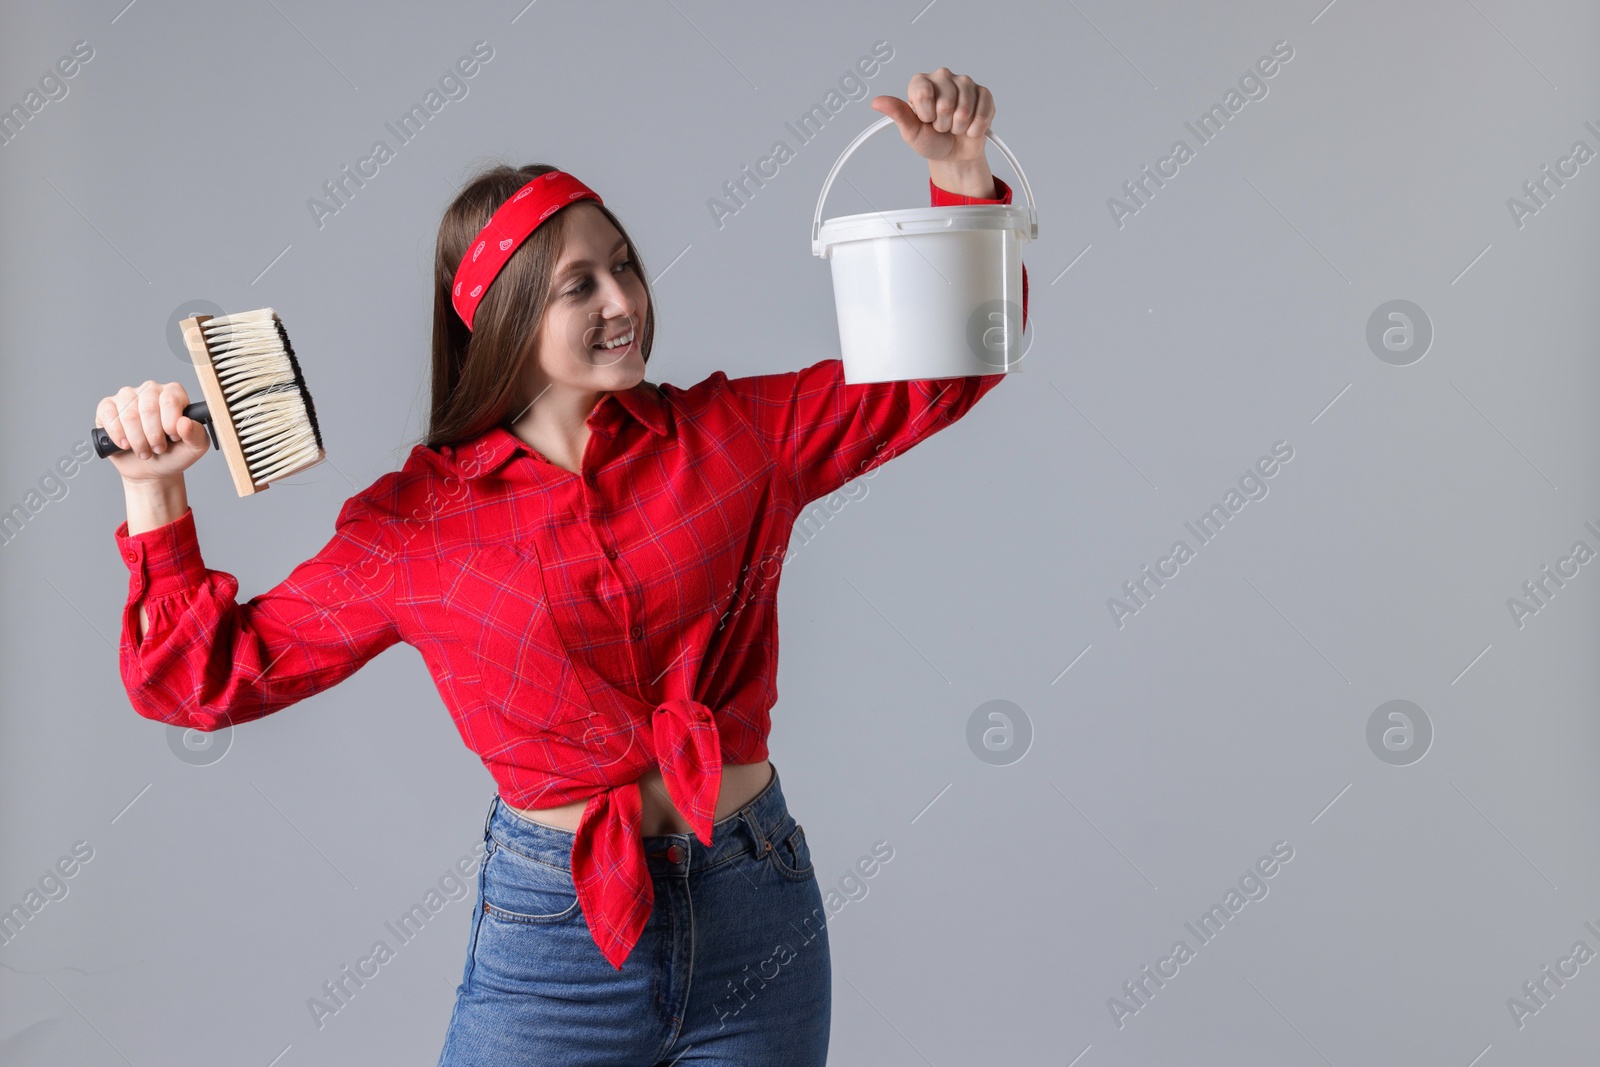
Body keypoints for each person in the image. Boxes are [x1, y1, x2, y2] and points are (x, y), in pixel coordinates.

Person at [95, 67, 1028, 1066]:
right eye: (578, 283)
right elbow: (194, 679)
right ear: (497, 315)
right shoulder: (415, 525)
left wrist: (958, 176)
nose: (623, 299)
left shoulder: (735, 437)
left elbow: (947, 367)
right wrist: (153, 490)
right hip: (556, 943)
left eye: (622, 265)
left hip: (755, 908)